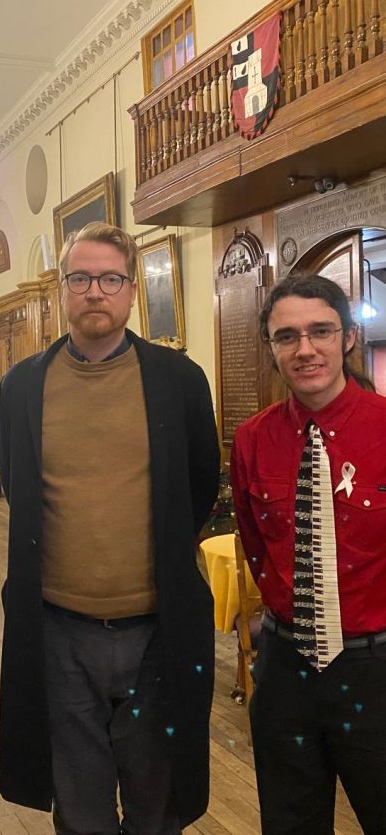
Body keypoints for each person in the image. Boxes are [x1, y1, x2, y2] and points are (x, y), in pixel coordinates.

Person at [0, 222, 220, 835]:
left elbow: (198, 485)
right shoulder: (21, 387)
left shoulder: (179, 380)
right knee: (80, 802)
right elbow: (20, 487)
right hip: (60, 629)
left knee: (156, 798)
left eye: (111, 279)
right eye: (81, 278)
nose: (95, 291)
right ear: (62, 290)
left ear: (130, 291)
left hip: (156, 629)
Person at [231, 273, 386, 835]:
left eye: (320, 331)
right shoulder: (252, 439)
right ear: (272, 348)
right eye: (286, 336)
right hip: (287, 670)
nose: (305, 349)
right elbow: (254, 545)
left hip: (378, 670)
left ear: (346, 337)